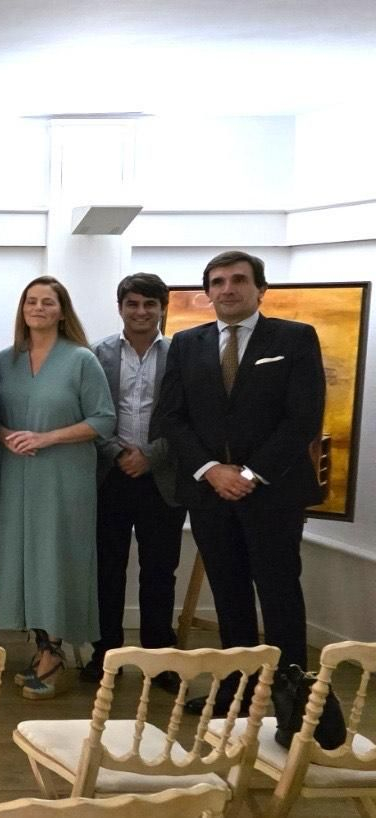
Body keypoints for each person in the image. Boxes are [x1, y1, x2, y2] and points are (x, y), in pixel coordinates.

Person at [156, 250, 325, 714]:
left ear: (260, 288)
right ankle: (237, 689)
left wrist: (249, 474)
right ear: (207, 292)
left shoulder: (294, 338)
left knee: (279, 591)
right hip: (209, 492)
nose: (227, 288)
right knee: (229, 592)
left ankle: (292, 697)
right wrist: (212, 470)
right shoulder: (186, 344)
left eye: (237, 280)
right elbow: (171, 418)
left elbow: (303, 419)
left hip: (273, 492)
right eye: (217, 281)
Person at [0, 275, 115, 701]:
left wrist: (47, 438)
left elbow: (103, 420)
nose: (39, 308)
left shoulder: (81, 359)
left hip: (65, 476)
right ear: (22, 310)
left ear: (62, 310)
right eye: (31, 301)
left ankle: (55, 652)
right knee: (25, 561)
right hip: (18, 476)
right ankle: (40, 644)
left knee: (58, 559)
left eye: (48, 301)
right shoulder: (5, 360)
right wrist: (6, 433)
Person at [85, 273, 186, 693]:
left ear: (163, 307)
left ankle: (159, 657)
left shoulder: (184, 353)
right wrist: (117, 453)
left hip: (162, 475)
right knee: (106, 569)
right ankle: (105, 654)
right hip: (110, 474)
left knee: (160, 570)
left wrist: (152, 455)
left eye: (150, 304)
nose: (141, 312)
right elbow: (88, 410)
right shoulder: (97, 355)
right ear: (120, 307)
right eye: (133, 304)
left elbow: (190, 415)